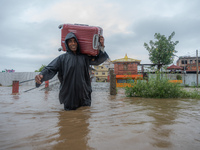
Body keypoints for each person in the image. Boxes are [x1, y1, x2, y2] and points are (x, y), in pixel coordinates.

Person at [35, 32, 109, 110]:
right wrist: (41, 75)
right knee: (68, 118)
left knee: (84, 116)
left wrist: (101, 46)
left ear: (78, 43)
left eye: (74, 41)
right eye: (70, 41)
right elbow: (50, 69)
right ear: (67, 44)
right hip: (69, 96)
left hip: (84, 95)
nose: (73, 43)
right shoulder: (62, 59)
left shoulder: (84, 57)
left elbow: (98, 60)